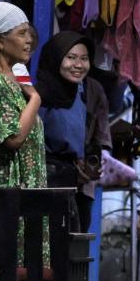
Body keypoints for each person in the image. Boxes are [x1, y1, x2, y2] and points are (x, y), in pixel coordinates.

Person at [0, 2, 49, 268]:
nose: (28, 41)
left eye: (28, 33)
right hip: (4, 201)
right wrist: (35, 99)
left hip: (22, 198)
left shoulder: (12, 80)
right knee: (9, 272)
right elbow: (12, 137)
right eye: (21, 33)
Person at [35, 31, 112, 232]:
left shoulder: (86, 92)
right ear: (56, 58)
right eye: (71, 57)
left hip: (77, 183)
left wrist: (90, 162)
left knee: (75, 241)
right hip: (46, 182)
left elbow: (99, 136)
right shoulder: (39, 95)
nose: (78, 65)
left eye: (84, 59)